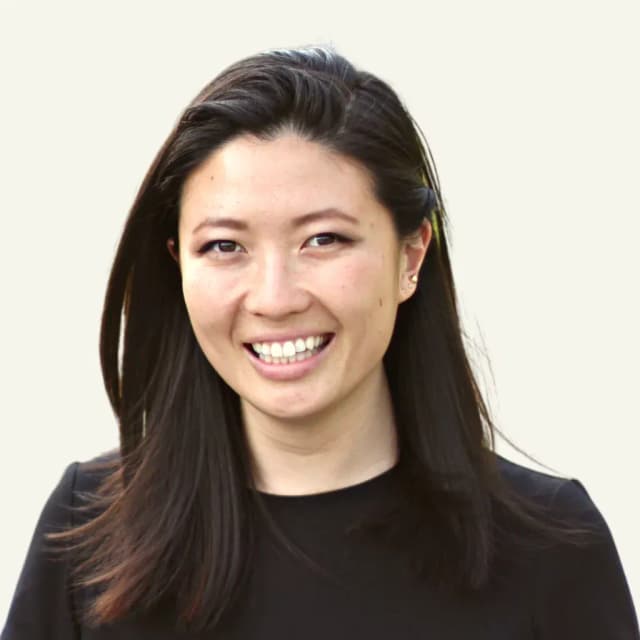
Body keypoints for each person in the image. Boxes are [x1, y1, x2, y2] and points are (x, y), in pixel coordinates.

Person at [2, 45, 638, 639]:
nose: (275, 298)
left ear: (411, 255)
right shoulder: (86, 535)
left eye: (323, 240)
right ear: (179, 266)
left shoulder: (553, 548)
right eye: (224, 246)